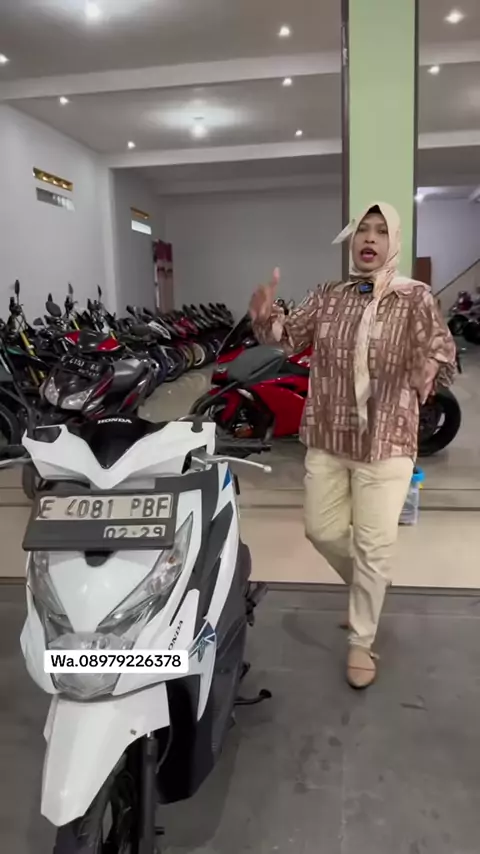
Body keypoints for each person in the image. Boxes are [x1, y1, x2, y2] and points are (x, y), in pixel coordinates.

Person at [249, 202, 456, 689]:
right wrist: (263, 317)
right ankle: (367, 584)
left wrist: (429, 366)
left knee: (373, 543)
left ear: (393, 241)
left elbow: (440, 346)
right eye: (363, 229)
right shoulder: (329, 295)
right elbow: (287, 335)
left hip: (387, 438)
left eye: (381, 231)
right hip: (329, 434)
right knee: (321, 530)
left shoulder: (414, 297)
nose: (370, 238)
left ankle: (362, 639)